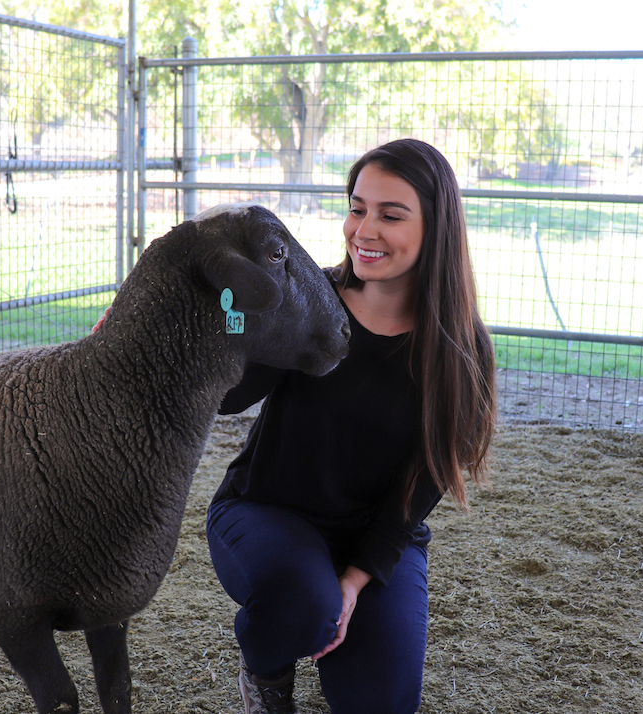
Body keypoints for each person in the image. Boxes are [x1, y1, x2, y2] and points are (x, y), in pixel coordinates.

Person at [205, 138, 497, 714]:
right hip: (266, 513)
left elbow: (426, 481)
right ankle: (265, 675)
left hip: (376, 539)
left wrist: (357, 580)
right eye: (357, 207)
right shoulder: (306, 302)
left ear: (436, 227)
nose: (364, 229)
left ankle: (324, 604)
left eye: (390, 215)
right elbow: (229, 398)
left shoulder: (460, 350)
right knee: (302, 603)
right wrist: (225, 313)